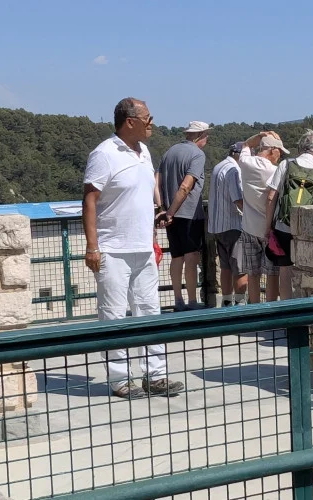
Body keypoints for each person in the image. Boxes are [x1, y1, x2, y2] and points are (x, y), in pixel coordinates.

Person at [82, 97, 184, 399]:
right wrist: (92, 247)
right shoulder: (104, 154)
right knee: (113, 316)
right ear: (130, 122)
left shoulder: (145, 153)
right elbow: (89, 200)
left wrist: (155, 221)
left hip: (143, 247)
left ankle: (156, 376)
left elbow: (142, 194)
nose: (152, 124)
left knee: (150, 312)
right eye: (148, 118)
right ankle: (120, 380)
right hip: (112, 250)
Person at [265, 129, 313, 300]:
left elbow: (271, 197)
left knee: (285, 271)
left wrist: (268, 227)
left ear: (300, 147)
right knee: (307, 271)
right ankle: (304, 307)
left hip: (283, 226)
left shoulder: (286, 165)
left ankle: (286, 310)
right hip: (307, 230)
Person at [157, 121, 211, 311]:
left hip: (170, 214)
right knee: (191, 257)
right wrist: (172, 211)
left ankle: (178, 299)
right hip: (189, 214)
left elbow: (156, 182)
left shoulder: (169, 152)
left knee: (176, 257)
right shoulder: (197, 154)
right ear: (200, 135)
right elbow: (186, 186)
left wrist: (163, 209)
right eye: (206, 135)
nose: (207, 139)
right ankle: (192, 301)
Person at [237, 131, 286, 304]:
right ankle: (270, 311)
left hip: (248, 227)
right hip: (269, 229)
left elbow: (245, 145)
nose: (280, 156)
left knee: (253, 273)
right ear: (272, 150)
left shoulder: (245, 163)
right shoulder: (275, 171)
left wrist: (259, 135)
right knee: (272, 274)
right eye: (280, 151)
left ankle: (255, 309)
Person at [208, 141, 248, 306]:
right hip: (233, 225)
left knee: (225, 267)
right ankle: (240, 304)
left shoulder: (218, 167)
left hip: (218, 226)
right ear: (239, 155)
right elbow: (237, 199)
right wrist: (251, 215)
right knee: (240, 268)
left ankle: (226, 302)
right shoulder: (234, 170)